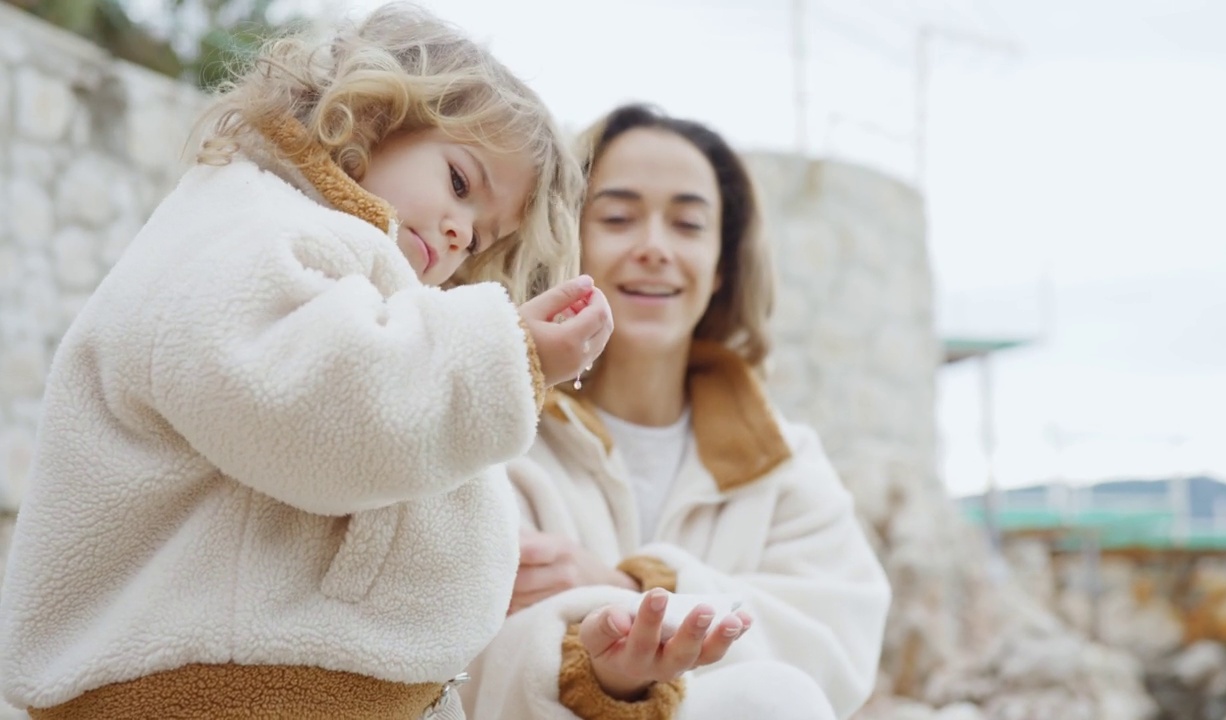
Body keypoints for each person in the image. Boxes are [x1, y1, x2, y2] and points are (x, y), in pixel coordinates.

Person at [0, 5, 611, 718]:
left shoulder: (350, 275)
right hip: (189, 687)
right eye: (458, 182)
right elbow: (308, 406)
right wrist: (507, 355)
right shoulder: (245, 226)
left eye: (479, 238)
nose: (458, 231)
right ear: (374, 112)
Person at [461, 103, 891, 720]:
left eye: (688, 225)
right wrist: (602, 672)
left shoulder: (784, 465)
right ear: (567, 233)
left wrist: (629, 589)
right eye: (617, 216)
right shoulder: (493, 430)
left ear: (721, 265)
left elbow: (832, 651)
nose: (654, 247)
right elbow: (455, 658)